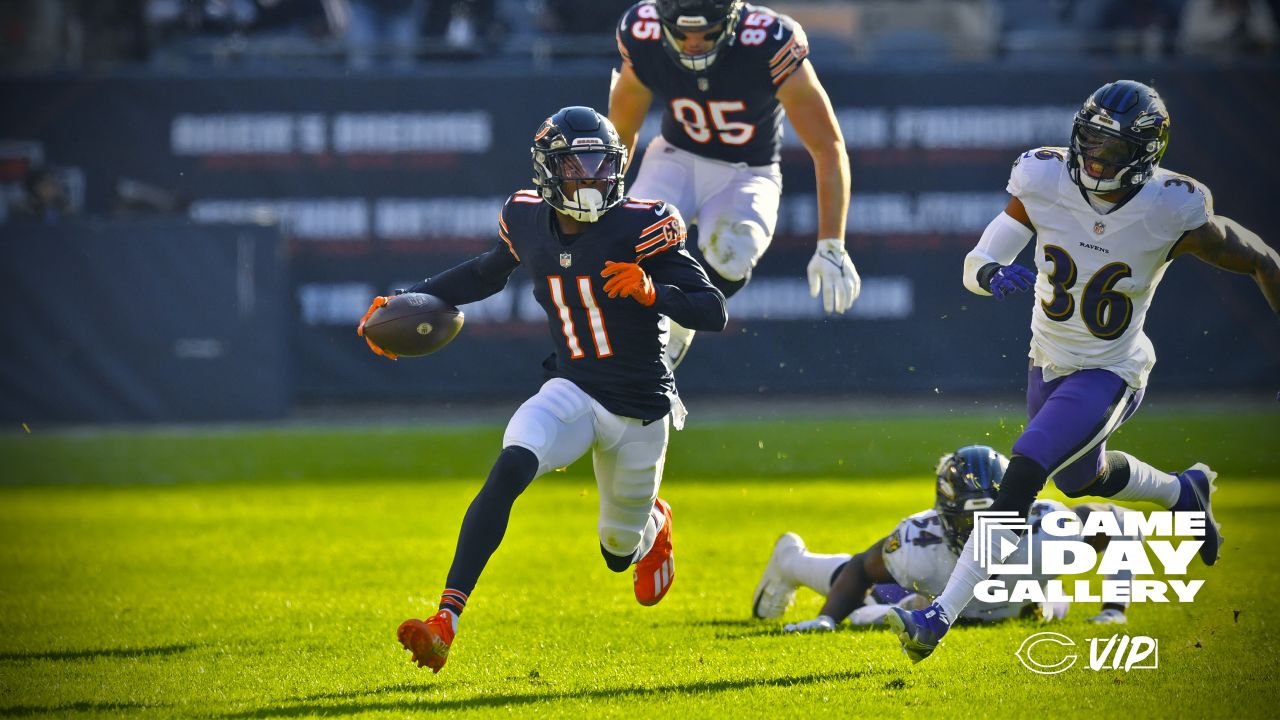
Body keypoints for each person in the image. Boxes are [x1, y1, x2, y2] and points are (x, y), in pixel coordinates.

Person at [889, 79, 1280, 663]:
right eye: (1091, 141)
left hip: (1111, 368)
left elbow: (1260, 260)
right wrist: (993, 275)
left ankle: (938, 616)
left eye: (1113, 149)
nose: (1096, 157)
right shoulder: (1043, 180)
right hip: (1047, 361)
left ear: (1144, 154)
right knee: (1079, 480)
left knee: (1022, 472)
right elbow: (977, 262)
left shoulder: (1171, 207)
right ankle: (1183, 490)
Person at [360, 106, 728, 673]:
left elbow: (712, 309)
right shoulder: (526, 218)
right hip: (572, 388)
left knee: (616, 552)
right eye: (576, 165)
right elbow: (485, 273)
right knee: (511, 464)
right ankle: (445, 621)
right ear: (548, 169)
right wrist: (408, 300)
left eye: (601, 164)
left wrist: (654, 291)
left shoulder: (642, 224)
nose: (591, 176)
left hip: (639, 412)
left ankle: (653, 524)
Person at [609, 0, 859, 368]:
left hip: (747, 170)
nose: (693, 44)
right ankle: (612, 355)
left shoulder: (767, 41)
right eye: (681, 33)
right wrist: (604, 205)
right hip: (675, 158)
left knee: (732, 250)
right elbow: (621, 133)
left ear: (731, 22)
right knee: (626, 244)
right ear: (663, 25)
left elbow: (828, 146)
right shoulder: (641, 31)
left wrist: (832, 243)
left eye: (706, 34)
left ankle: (678, 324)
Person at [751, 446, 1134, 632]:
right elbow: (860, 568)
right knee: (870, 607)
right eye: (969, 520)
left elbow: (1122, 523)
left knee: (1040, 606)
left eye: (992, 517)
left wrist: (1114, 607)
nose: (980, 530)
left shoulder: (1047, 530)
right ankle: (790, 559)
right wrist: (827, 620)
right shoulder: (921, 543)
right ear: (944, 517)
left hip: (1021, 601)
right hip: (940, 599)